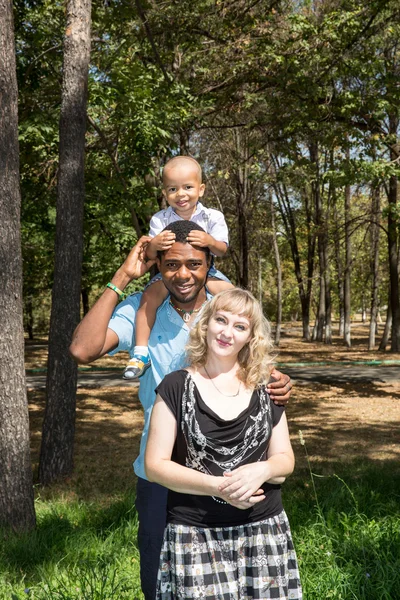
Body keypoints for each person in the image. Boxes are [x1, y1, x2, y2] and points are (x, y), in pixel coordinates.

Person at [69, 221, 293, 600]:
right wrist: (124, 275)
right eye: (171, 264)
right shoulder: (142, 310)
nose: (183, 274)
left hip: (237, 476)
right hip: (162, 478)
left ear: (209, 266)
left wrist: (277, 381)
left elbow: (255, 363)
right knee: (162, 586)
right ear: (158, 266)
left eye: (194, 264)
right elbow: (82, 349)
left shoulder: (223, 314)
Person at [145, 288, 302, 599]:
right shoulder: (175, 386)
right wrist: (219, 488)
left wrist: (263, 469)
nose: (227, 333)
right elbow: (155, 466)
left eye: (240, 326)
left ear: (250, 337)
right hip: (196, 534)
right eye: (221, 320)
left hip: (262, 532)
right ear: (206, 324)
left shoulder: (266, 386)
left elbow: (285, 459)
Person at [123, 155, 232, 380]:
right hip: (169, 274)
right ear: (164, 193)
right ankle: (141, 352)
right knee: (149, 298)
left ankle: (245, 348)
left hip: (207, 272)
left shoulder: (213, 217)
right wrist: (154, 245)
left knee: (235, 298)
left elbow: (222, 249)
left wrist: (210, 242)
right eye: (172, 189)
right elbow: (151, 256)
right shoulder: (160, 220)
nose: (180, 194)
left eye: (188, 187)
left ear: (201, 189)